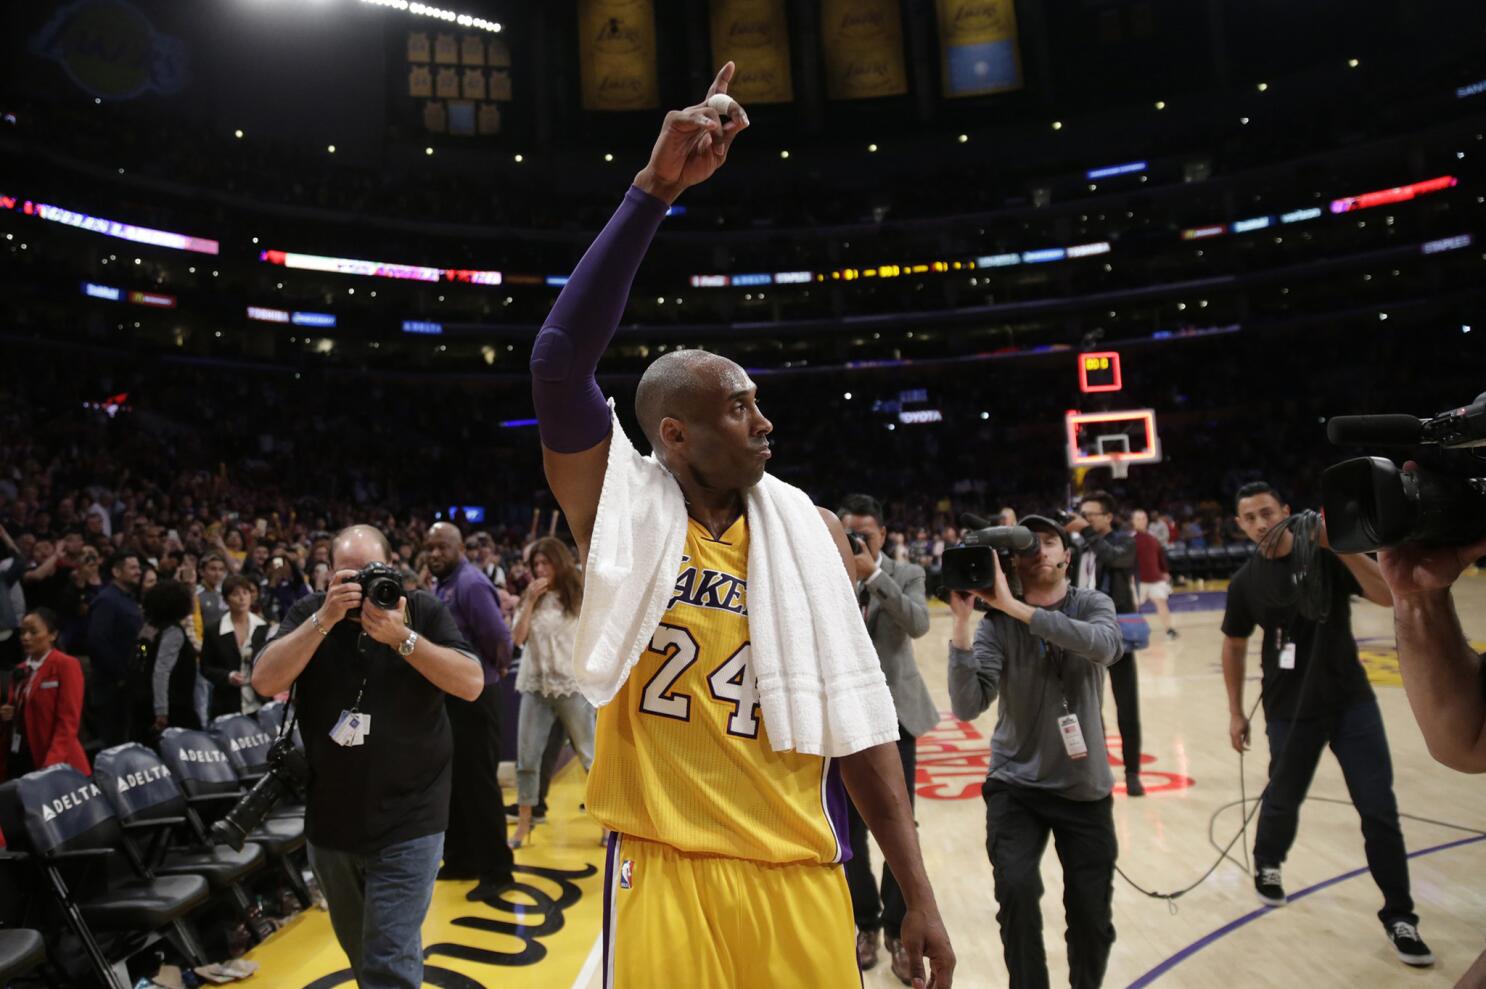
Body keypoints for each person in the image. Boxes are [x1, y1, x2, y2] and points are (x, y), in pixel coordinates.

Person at [528, 63, 952, 989]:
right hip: (665, 862)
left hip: (802, 862)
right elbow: (560, 359)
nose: (765, 422)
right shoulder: (620, 510)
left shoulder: (806, 531)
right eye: (739, 407)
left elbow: (859, 719)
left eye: (758, 404)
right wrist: (654, 194)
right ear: (674, 432)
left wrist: (917, 889)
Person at [251, 525, 483, 989]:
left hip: (412, 816)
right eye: (347, 576)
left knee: (388, 958)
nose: (360, 588)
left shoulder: (421, 610)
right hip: (332, 820)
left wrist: (402, 638)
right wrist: (324, 620)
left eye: (370, 573)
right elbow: (263, 679)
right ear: (329, 576)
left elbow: (471, 683)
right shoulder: (308, 613)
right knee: (364, 955)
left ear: (391, 568)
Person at [1220, 482, 1432, 966]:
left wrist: (1339, 546)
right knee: (1283, 797)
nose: (1259, 523)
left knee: (1379, 809)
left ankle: (1401, 915)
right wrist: (1235, 711)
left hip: (1350, 702)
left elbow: (1386, 594)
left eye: (1266, 512)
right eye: (1249, 517)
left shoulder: (1329, 558)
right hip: (1288, 709)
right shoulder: (1245, 582)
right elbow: (1233, 645)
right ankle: (1268, 863)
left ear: (1286, 511)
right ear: (1239, 525)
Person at [946, 514, 1121, 989]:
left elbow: (1105, 647)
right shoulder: (996, 625)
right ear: (1011, 564)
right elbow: (967, 705)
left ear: (1067, 555)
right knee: (1016, 895)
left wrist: (1018, 609)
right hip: (1015, 784)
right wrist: (962, 624)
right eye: (1028, 545)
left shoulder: (1091, 603)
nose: (1039, 550)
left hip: (1084, 788)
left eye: (1049, 542)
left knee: (1091, 916)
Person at [838, 493, 938, 980]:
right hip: (842, 716)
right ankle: (867, 922)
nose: (857, 541)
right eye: (849, 532)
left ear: (883, 534)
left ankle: (901, 928)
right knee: (850, 830)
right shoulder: (826, 573)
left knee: (902, 824)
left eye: (866, 534)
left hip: (896, 715)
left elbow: (918, 623)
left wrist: (872, 574)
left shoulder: (905, 574)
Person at [424, 521, 516, 901]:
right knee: (456, 782)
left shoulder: (471, 583)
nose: (434, 554)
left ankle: (498, 869)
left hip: (477, 696)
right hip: (452, 696)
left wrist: (497, 666)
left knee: (478, 784)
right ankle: (461, 858)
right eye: (429, 548)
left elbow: (498, 636)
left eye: (442, 547)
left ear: (459, 548)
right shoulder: (443, 584)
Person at [508, 537, 596, 849]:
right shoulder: (530, 598)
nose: (540, 570)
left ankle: (609, 826)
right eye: (536, 565)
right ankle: (523, 825)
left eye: (546, 563)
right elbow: (517, 639)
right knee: (527, 758)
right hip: (534, 685)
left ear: (559, 563)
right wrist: (528, 601)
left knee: (590, 756)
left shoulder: (579, 595)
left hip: (571, 687)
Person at [1067, 491, 1145, 796]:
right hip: (1083, 634)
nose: (1084, 520)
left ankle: (1133, 771)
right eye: (1081, 514)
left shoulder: (1124, 541)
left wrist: (1085, 532)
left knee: (1127, 706)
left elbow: (1115, 557)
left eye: (1091, 515)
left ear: (1108, 517)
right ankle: (1097, 769)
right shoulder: (1079, 547)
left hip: (1116, 633)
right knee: (1087, 706)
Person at [0, 609, 91, 781]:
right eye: (23, 632)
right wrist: (7, 714)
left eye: (33, 632)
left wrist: (51, 766)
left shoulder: (66, 665)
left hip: (58, 762)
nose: (26, 637)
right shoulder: (19, 670)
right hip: (22, 758)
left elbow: (68, 722)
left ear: (52, 635)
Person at [86, 550, 143, 745]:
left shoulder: (130, 599)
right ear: (116, 572)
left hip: (130, 682)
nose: (138, 572)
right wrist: (120, 675)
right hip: (111, 685)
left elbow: (139, 639)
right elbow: (97, 641)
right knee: (113, 740)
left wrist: (141, 662)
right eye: (133, 568)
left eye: (138, 567)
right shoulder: (107, 600)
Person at [201, 574, 270, 718]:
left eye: (245, 593)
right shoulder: (213, 631)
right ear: (226, 600)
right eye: (235, 594)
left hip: (260, 702)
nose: (242, 598)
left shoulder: (263, 627)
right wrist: (228, 676)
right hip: (227, 704)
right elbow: (205, 668)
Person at [142, 580, 202, 737]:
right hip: (174, 707)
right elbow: (161, 671)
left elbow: (141, 654)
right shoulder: (173, 632)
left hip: (147, 700)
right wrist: (161, 710)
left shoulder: (149, 626)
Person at [1131, 509, 1177, 640]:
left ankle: (1169, 630)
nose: (1142, 521)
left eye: (1144, 518)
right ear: (1133, 522)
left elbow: (1160, 556)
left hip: (1155, 578)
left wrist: (1164, 571)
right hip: (1138, 580)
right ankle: (1132, 632)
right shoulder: (1130, 540)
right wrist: (1129, 575)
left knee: (1161, 603)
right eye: (1138, 519)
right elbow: (1127, 561)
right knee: (1133, 607)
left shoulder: (1153, 539)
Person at [198, 553, 229, 629]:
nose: (217, 574)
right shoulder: (195, 594)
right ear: (201, 572)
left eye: (221, 570)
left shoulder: (226, 593)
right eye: (213, 569)